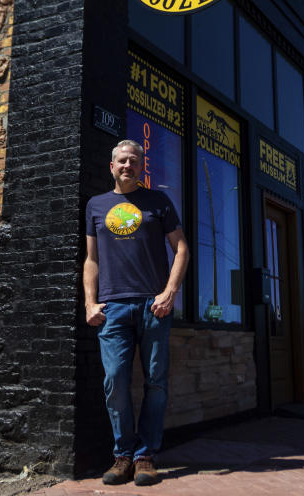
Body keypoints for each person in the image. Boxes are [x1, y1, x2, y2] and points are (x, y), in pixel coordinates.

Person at [84, 140, 190, 486]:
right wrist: (89, 301)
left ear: (141, 167)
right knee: (115, 380)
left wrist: (170, 292)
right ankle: (122, 455)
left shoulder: (158, 202)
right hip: (112, 307)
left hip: (152, 305)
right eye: (121, 161)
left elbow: (182, 248)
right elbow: (91, 259)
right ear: (111, 167)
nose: (127, 166)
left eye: (134, 161)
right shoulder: (96, 205)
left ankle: (145, 456)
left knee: (155, 382)